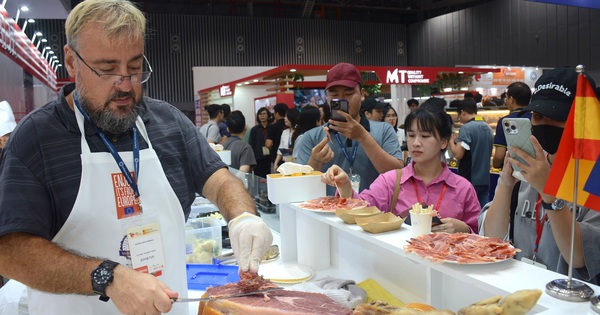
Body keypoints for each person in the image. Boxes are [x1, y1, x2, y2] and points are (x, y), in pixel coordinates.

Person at [0, 1, 273, 314]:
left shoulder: (168, 123)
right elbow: (10, 250)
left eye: (134, 67)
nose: (125, 85)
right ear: (71, 62)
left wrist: (242, 217)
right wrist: (107, 276)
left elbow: (220, 179)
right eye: (107, 69)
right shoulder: (37, 138)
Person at [479, 67, 600, 285]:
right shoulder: (525, 170)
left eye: (557, 117)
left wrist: (548, 192)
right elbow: (491, 239)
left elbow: (581, 257)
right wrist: (506, 185)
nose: (544, 124)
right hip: (518, 290)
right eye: (537, 116)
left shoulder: (594, 177)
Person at [322, 108, 480, 233]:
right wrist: (345, 188)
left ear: (444, 142)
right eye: (411, 135)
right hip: (401, 266)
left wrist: (465, 229)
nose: (416, 143)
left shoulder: (462, 188)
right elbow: (361, 209)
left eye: (425, 136)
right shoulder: (391, 181)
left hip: (446, 268)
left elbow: (478, 235)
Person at [295, 62, 403, 195]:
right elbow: (299, 188)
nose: (342, 100)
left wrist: (363, 137)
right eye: (334, 95)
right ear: (327, 97)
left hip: (373, 213)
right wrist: (316, 161)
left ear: (362, 94)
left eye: (348, 93)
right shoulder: (312, 137)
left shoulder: (384, 130)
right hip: (326, 213)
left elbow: (398, 175)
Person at [449, 99, 493, 208]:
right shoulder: (487, 127)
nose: (459, 119)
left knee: (468, 210)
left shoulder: (466, 128)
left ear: (463, 112)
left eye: (459, 116)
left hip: (470, 177)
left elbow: (458, 154)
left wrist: (451, 141)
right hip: (485, 177)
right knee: (483, 208)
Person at [492, 82, 532, 169]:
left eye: (506, 97)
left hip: (512, 172)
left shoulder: (505, 121)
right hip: (534, 170)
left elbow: (499, 156)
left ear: (512, 99)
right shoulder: (536, 119)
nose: (506, 101)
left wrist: (494, 165)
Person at [249, 107, 271, 178]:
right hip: (258, 158)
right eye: (260, 114)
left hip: (270, 157)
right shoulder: (254, 129)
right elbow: (252, 144)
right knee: (258, 178)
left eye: (264, 114)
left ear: (268, 115)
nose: (262, 116)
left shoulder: (272, 128)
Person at [266, 103, 288, 171]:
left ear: (277, 113)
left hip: (277, 157)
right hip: (290, 157)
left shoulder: (272, 127)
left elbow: (268, 144)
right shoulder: (289, 125)